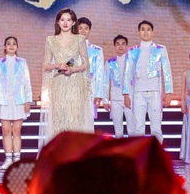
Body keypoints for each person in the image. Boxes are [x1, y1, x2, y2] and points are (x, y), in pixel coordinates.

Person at [40, 8, 92, 147]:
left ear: (73, 22)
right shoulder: (50, 40)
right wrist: (57, 65)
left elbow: (86, 63)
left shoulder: (80, 39)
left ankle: (76, 153)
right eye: (62, 19)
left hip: (75, 84)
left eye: (69, 20)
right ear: (58, 22)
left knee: (75, 120)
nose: (65, 22)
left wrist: (73, 70)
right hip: (58, 84)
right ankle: (60, 154)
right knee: (59, 120)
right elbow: (45, 65)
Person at [122, 20, 172, 143]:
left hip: (155, 92)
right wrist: (126, 93)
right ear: (138, 32)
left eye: (148, 29)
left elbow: (166, 71)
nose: (145, 32)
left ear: (152, 32)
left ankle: (156, 153)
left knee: (156, 128)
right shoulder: (132, 50)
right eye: (143, 29)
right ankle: (139, 154)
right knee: (138, 128)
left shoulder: (160, 49)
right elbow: (127, 73)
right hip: (138, 93)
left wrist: (169, 92)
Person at [0, 36, 32, 169]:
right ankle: (8, 159)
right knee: (6, 130)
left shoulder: (22, 63)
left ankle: (17, 159)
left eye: (14, 44)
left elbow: (27, 82)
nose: (11, 46)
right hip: (3, 100)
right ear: (5, 47)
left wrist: (28, 100)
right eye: (8, 44)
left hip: (19, 100)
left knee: (16, 130)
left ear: (17, 47)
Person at [104, 35, 135, 138]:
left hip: (130, 99)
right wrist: (105, 100)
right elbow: (105, 82)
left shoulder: (132, 62)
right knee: (118, 131)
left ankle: (133, 148)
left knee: (132, 129)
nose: (120, 46)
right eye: (117, 44)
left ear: (126, 46)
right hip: (115, 100)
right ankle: (119, 148)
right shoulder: (110, 63)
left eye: (123, 44)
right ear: (114, 46)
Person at [77, 17, 105, 115]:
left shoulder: (97, 50)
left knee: (88, 119)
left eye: (86, 28)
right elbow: (68, 66)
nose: (83, 31)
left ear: (90, 30)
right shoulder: (71, 50)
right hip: (73, 88)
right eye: (80, 28)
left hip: (90, 89)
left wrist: (98, 94)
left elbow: (100, 73)